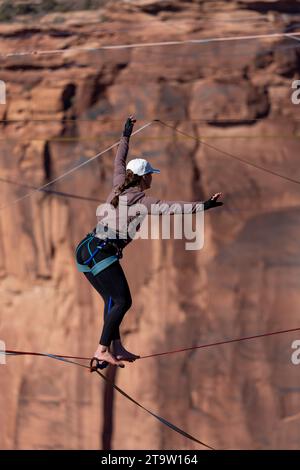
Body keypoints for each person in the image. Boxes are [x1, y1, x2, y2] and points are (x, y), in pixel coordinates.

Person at [75, 116, 223, 369]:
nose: (152, 179)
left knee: (112, 300)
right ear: (144, 178)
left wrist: (126, 132)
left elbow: (119, 159)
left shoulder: (119, 183)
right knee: (123, 301)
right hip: (101, 252)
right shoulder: (144, 201)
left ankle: (116, 347)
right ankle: (102, 350)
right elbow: (175, 208)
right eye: (150, 176)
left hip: (85, 249)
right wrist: (205, 205)